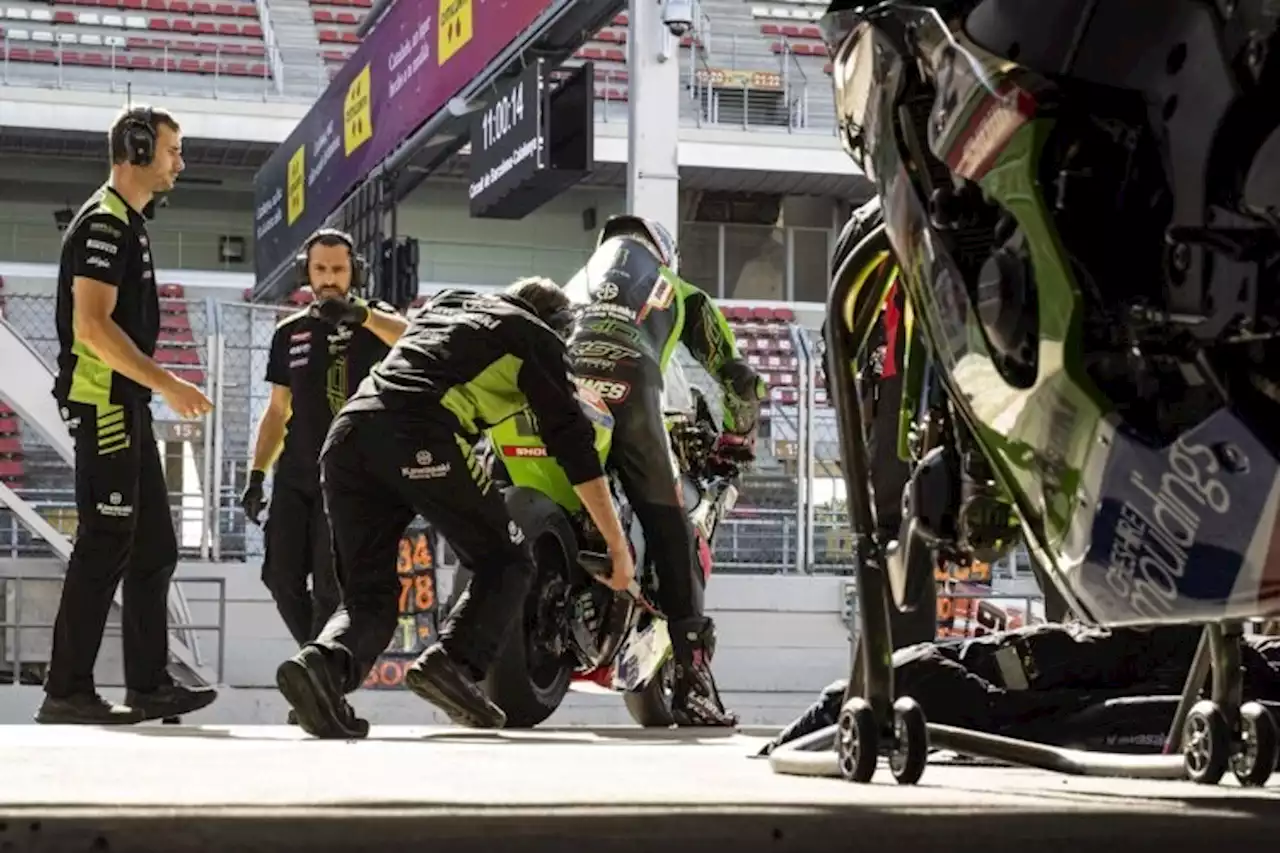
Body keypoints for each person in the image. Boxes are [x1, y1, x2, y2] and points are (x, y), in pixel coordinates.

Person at [275, 277, 636, 738]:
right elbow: (575, 448)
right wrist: (616, 546)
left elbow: (406, 334)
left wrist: (364, 314)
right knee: (505, 560)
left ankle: (321, 668)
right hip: (421, 431)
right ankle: (453, 664)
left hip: (347, 437)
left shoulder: (452, 304)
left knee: (368, 597)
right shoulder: (536, 338)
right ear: (557, 326)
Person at [37, 105, 218, 725]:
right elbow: (91, 326)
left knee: (154, 548)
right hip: (104, 403)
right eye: (173, 149)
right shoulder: (105, 224)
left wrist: (153, 388)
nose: (180, 161)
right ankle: (67, 691)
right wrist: (167, 382)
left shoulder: (129, 223)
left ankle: (148, 685)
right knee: (105, 542)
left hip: (125, 401)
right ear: (137, 149)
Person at [560, 214, 767, 727]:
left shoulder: (569, 287)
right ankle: (693, 682)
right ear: (663, 254)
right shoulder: (678, 291)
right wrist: (738, 438)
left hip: (555, 383)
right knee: (668, 519)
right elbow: (737, 376)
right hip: (630, 387)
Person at [240, 227, 407, 725]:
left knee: (333, 591)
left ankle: (321, 684)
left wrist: (360, 314)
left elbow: (414, 336)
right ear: (306, 273)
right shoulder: (288, 332)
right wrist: (255, 474)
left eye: (339, 269)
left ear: (354, 271)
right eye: (321, 270)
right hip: (294, 476)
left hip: (353, 479)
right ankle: (319, 674)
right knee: (280, 576)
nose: (330, 279)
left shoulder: (376, 323)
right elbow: (276, 412)